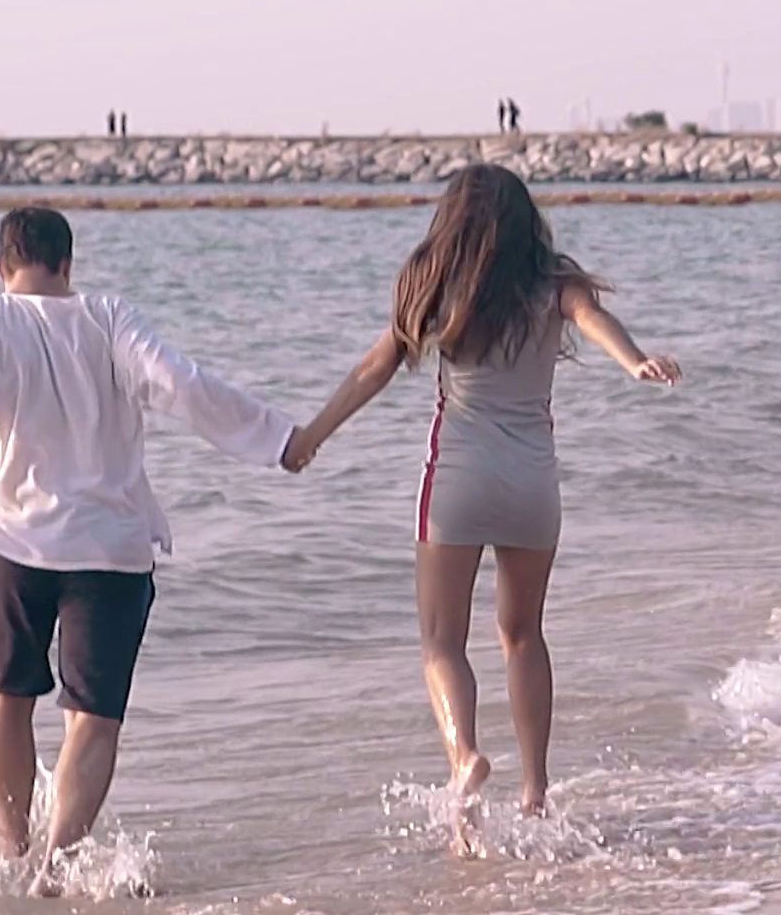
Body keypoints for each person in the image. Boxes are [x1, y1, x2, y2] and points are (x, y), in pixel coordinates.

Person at [0, 207, 301, 895]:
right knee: (93, 718)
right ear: (67, 265)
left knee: (5, 703)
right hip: (110, 557)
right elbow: (181, 384)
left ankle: (13, 851)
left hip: (15, 552)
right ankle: (55, 866)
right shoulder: (110, 318)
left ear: (1, 268)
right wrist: (276, 439)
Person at [284, 163, 677, 844]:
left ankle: (464, 760)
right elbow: (594, 318)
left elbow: (373, 369)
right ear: (528, 223)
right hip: (532, 486)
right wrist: (633, 360)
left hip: (458, 482)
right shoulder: (554, 284)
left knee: (442, 642)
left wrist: (311, 436)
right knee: (522, 635)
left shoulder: (434, 284)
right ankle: (535, 791)